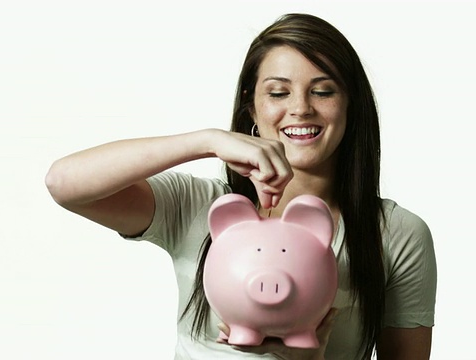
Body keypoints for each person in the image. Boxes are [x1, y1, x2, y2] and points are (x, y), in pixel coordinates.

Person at [45, 13, 437, 360]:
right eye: (278, 92)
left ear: (351, 104)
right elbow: (64, 183)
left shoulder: (397, 233)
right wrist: (206, 140)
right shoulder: (201, 205)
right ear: (251, 107)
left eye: (323, 90)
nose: (300, 108)